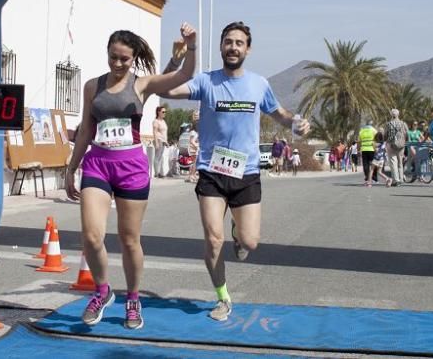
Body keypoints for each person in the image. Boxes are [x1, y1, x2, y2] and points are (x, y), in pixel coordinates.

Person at [159, 21, 309, 322]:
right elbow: (166, 89)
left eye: (239, 43)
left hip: (247, 173)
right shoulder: (206, 81)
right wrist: (178, 57)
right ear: (220, 46)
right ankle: (223, 297)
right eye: (228, 42)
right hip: (212, 173)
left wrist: (297, 123)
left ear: (248, 49)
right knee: (213, 240)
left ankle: (239, 237)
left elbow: (279, 114)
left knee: (251, 242)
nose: (233, 47)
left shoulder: (259, 84)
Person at [65, 23, 197, 330]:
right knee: (92, 235)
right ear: (107, 53)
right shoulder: (92, 86)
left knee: (129, 239)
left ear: (133, 58)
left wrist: (190, 47)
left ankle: (133, 298)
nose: (118, 63)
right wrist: (72, 166)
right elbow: (86, 128)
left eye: (124, 59)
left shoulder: (141, 85)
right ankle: (102, 290)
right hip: (97, 162)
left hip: (131, 167)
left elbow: (183, 76)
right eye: (113, 57)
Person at [384, 109, 408, 186]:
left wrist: (385, 140)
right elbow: (407, 133)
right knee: (400, 161)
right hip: (401, 145)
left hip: (391, 144)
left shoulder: (388, 124)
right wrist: (404, 141)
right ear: (398, 114)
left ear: (391, 115)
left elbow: (385, 135)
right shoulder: (403, 123)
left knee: (393, 161)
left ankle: (396, 180)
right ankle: (401, 178)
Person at [358, 120, 377, 185]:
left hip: (364, 149)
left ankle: (367, 178)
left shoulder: (361, 131)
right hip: (372, 149)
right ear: (372, 124)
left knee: (365, 165)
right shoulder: (374, 130)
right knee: (374, 164)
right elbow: (376, 140)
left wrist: (359, 150)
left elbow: (359, 141)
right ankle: (374, 178)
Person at [152, 106, 169, 178]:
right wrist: (156, 143)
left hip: (163, 141)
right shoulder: (156, 121)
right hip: (158, 140)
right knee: (157, 157)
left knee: (160, 157)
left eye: (165, 112)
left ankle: (159, 172)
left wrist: (166, 141)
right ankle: (157, 173)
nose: (164, 113)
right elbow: (155, 132)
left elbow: (164, 133)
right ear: (158, 112)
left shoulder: (163, 121)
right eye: (163, 112)